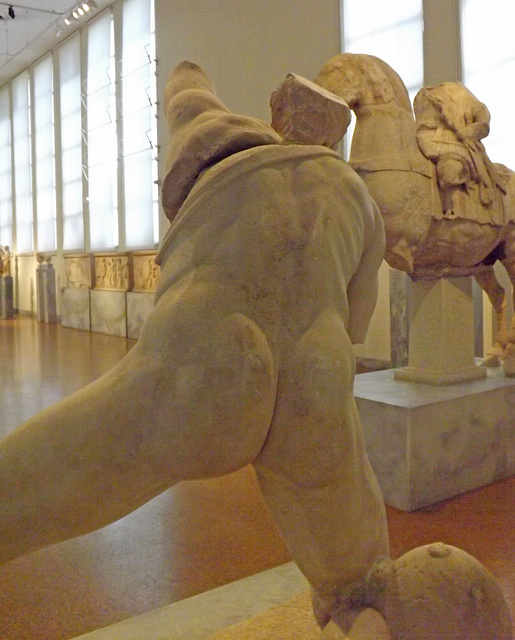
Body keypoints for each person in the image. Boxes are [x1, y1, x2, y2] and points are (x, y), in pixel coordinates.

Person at [0, 61, 387, 633]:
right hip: (319, 371)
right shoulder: (356, 193)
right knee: (359, 590)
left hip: (205, 356)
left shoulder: (209, 165)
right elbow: (357, 321)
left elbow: (188, 94)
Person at [414, 82, 507, 222]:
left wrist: (467, 132)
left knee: (450, 169)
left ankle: (448, 206)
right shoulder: (423, 95)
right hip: (423, 138)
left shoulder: (462, 94)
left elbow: (482, 121)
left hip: (453, 143)